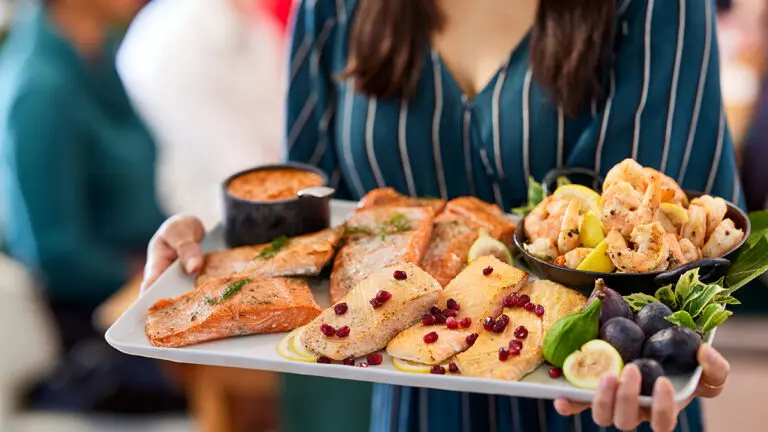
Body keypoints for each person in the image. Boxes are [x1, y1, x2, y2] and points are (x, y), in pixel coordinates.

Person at [141, 0, 736, 430]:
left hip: (598, 397)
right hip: (415, 401)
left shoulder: (663, 9)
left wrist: (685, 356)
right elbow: (320, 218)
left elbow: (695, 243)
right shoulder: (331, 8)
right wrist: (217, 255)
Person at [0, 0, 179, 412]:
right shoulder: (40, 89)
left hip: (141, 280)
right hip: (92, 322)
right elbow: (54, 252)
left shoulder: (100, 52)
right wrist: (153, 281)